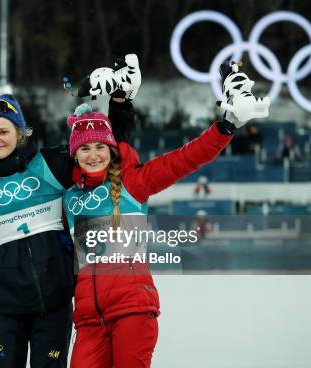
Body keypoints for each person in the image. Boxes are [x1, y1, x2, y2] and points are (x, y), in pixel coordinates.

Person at [63, 61, 268, 368]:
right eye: (85, 149)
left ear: (112, 149)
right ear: (74, 154)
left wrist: (225, 127)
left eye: (100, 147)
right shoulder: (69, 197)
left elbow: (184, 160)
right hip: (89, 319)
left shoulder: (132, 182)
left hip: (132, 310)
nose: (93, 155)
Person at [0, 55, 142, 368]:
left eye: (4, 130)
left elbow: (107, 154)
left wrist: (120, 101)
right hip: (4, 305)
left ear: (21, 132)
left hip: (53, 301)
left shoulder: (50, 164)